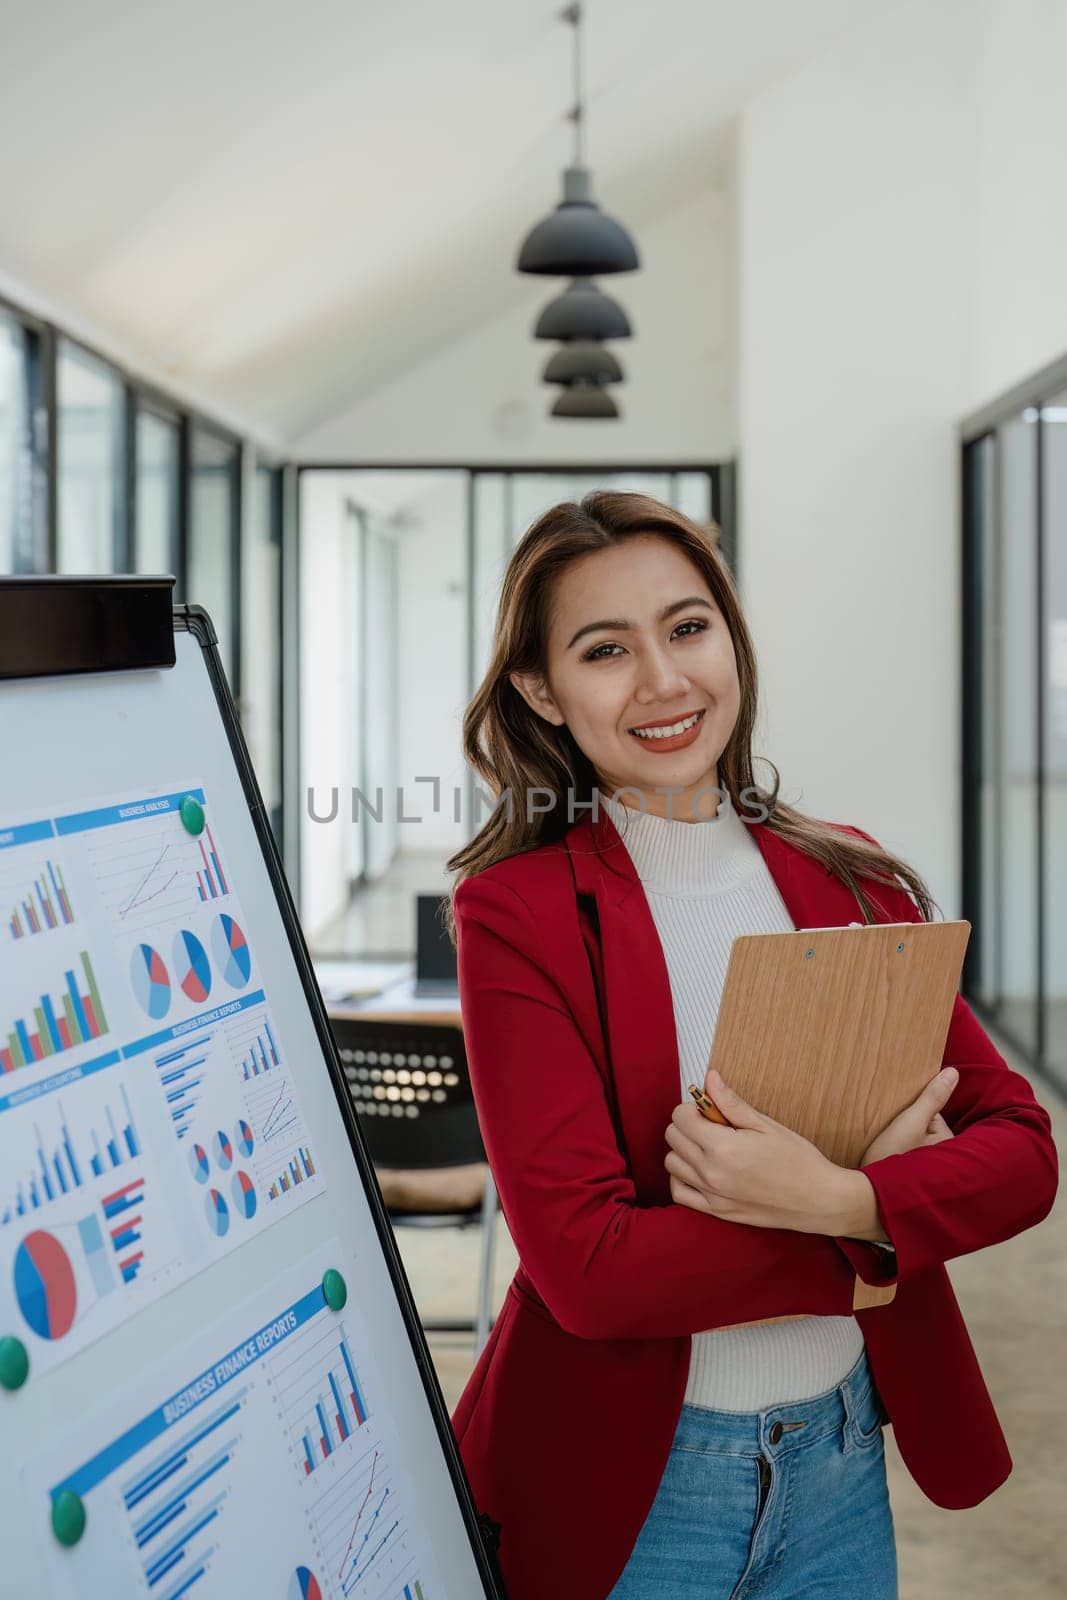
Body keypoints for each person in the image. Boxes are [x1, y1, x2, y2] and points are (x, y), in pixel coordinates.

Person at [444, 491, 1058, 1600]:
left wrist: (836, 1199)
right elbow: (587, 1272)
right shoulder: (514, 912)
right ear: (540, 687)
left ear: (729, 634)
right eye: (604, 649)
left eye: (686, 628)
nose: (664, 681)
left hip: (834, 1464)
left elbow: (1019, 1150)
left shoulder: (849, 875)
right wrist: (876, 1226)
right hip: (633, 1486)